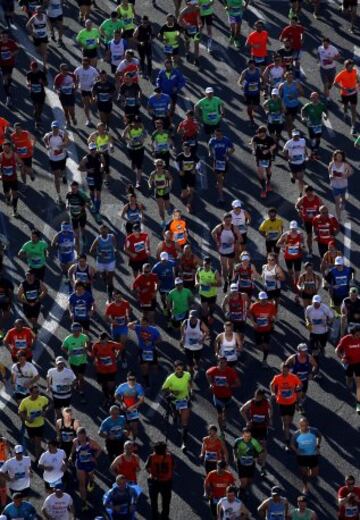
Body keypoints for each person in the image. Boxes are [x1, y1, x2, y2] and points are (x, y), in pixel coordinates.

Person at [240, 388, 272, 476]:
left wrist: (269, 419)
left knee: (264, 446)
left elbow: (270, 409)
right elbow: (242, 410)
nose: (256, 397)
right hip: (253, 427)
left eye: (258, 396)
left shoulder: (267, 402)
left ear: (262, 397)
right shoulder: (251, 402)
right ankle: (253, 461)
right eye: (255, 396)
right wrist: (247, 421)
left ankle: (263, 467)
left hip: (262, 427)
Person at [270, 363, 302, 449]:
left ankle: (289, 435)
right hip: (282, 402)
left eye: (286, 370)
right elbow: (271, 384)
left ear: (288, 370)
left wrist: (297, 388)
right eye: (283, 370)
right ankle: (287, 441)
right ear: (281, 369)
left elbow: (299, 384)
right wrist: (273, 393)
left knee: (290, 422)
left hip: (291, 402)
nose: (284, 372)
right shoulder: (277, 377)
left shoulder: (293, 377)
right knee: (285, 423)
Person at [161, 360, 192, 450]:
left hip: (184, 400)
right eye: (178, 369)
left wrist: (190, 391)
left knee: (184, 422)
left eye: (181, 369)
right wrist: (172, 392)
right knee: (176, 415)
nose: (180, 371)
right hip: (174, 401)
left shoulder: (187, 375)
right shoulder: (170, 378)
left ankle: (183, 443)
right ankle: (175, 415)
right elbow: (163, 389)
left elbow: (189, 382)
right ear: (174, 369)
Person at [70, 427, 101, 512]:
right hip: (80, 465)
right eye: (79, 436)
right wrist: (70, 456)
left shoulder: (91, 442)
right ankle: (84, 502)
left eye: (82, 437)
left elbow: (99, 449)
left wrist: (94, 457)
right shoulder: (75, 441)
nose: (81, 439)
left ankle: (91, 481)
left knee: (91, 476)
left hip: (90, 464)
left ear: (85, 435)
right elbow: (73, 449)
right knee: (81, 484)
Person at [206, 357, 240, 432]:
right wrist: (210, 383)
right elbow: (207, 373)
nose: (222, 364)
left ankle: (224, 420)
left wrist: (230, 385)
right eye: (221, 362)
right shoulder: (214, 370)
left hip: (227, 396)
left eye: (224, 362)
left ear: (226, 363)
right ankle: (221, 430)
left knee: (225, 412)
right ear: (218, 363)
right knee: (219, 414)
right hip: (217, 396)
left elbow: (238, 384)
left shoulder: (231, 371)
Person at [91, 332, 123, 407]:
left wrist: (117, 356)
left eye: (103, 340)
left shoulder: (112, 344)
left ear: (107, 339)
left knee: (110, 385)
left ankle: (111, 398)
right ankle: (107, 397)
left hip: (111, 368)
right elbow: (93, 355)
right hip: (101, 369)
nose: (101, 341)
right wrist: (95, 360)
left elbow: (121, 347)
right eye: (100, 339)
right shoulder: (96, 346)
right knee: (103, 385)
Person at [128, 317, 161, 388]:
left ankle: (156, 368)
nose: (143, 326)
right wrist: (135, 321)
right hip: (142, 350)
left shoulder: (154, 330)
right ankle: (146, 382)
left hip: (151, 350)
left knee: (154, 368)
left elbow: (160, 339)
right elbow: (129, 325)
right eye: (142, 324)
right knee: (144, 367)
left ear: (148, 323)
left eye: (145, 324)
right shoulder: (138, 328)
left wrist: (152, 342)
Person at [305, 294, 334, 376]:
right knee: (314, 352)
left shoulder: (325, 308)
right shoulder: (309, 309)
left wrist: (328, 323)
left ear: (320, 302)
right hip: (313, 332)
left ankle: (322, 347)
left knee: (322, 345)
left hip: (323, 332)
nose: (316, 305)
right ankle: (316, 368)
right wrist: (307, 322)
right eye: (314, 303)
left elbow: (332, 317)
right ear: (312, 302)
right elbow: (306, 317)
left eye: (317, 303)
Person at [291, 417, 321, 495]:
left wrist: (317, 445)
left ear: (308, 424)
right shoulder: (296, 434)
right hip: (302, 457)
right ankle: (305, 487)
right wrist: (297, 451)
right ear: (299, 425)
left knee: (314, 474)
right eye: (302, 425)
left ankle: (309, 474)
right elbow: (292, 444)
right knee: (304, 474)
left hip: (313, 456)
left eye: (305, 425)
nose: (304, 427)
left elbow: (319, 436)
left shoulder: (314, 430)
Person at [43, 120, 70, 204]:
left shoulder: (62, 134)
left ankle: (64, 175)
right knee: (56, 177)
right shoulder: (48, 135)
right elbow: (44, 140)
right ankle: (59, 196)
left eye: (56, 128)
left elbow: (68, 142)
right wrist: (47, 146)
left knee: (62, 172)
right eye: (53, 128)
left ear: (58, 128)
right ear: (51, 128)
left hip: (62, 157)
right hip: (53, 159)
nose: (55, 129)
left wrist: (63, 145)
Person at [146, 441, 174, 520]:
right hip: (166, 482)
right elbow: (173, 466)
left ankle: (155, 517)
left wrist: (153, 474)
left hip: (154, 481)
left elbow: (147, 468)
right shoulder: (170, 456)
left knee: (154, 502)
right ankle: (164, 517)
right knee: (166, 502)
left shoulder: (151, 457)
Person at [212, 214, 240, 292]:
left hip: (231, 250)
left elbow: (239, 237)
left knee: (230, 266)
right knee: (223, 267)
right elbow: (212, 233)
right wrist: (217, 241)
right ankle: (226, 282)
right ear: (223, 220)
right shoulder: (219, 227)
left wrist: (235, 243)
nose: (228, 222)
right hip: (222, 251)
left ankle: (230, 278)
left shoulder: (234, 228)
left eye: (229, 220)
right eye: (226, 220)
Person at [285, 343, 317, 413]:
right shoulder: (293, 358)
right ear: (299, 351)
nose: (305, 352)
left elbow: (315, 365)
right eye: (303, 351)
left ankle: (298, 403)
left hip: (305, 380)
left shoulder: (309, 357)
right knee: (298, 395)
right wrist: (289, 373)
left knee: (303, 394)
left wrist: (312, 373)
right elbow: (285, 366)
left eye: (306, 350)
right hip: (295, 381)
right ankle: (298, 406)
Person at [336, 325, 360, 414]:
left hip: (358, 363)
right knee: (349, 379)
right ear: (352, 334)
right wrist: (341, 358)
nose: (359, 336)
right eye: (357, 335)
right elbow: (337, 350)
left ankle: (358, 405)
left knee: (358, 384)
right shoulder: (346, 339)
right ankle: (349, 390)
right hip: (349, 363)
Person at [277, 220, 304, 299]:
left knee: (297, 274)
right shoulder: (285, 235)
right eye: (292, 229)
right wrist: (285, 245)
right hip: (288, 257)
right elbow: (278, 244)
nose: (293, 231)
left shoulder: (300, 234)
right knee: (290, 273)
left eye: (295, 229)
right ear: (290, 228)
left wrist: (302, 246)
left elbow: (302, 243)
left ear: (296, 228)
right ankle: (294, 284)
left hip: (297, 257)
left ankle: (296, 289)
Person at [249, 291, 277, 367]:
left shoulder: (271, 306)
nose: (263, 301)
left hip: (267, 329)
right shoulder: (254, 306)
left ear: (267, 299)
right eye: (262, 300)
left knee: (266, 345)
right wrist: (253, 323)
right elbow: (250, 314)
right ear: (258, 299)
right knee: (258, 345)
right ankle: (264, 350)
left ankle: (264, 360)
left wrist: (272, 321)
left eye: (265, 299)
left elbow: (274, 315)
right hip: (257, 329)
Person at [90, 224, 117, 300]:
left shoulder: (112, 237)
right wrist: (100, 253)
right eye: (102, 232)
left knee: (110, 279)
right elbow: (91, 250)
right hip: (101, 262)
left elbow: (115, 245)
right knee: (104, 277)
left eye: (105, 231)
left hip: (111, 261)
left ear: (108, 231)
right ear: (100, 232)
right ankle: (109, 287)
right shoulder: (98, 239)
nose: (104, 233)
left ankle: (110, 293)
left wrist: (114, 249)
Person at [115, 372, 145, 441]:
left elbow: (142, 399)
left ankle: (133, 441)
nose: (131, 381)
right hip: (124, 409)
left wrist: (134, 406)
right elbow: (116, 395)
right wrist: (122, 403)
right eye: (130, 379)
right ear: (127, 379)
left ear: (135, 379)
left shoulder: (138, 386)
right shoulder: (122, 386)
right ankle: (127, 441)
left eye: (133, 379)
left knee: (134, 427)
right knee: (126, 427)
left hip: (133, 410)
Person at [233, 427, 263, 495]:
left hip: (251, 464)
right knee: (244, 481)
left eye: (249, 436)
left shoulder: (254, 442)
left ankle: (243, 489)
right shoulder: (238, 441)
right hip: (241, 463)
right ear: (242, 435)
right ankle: (240, 494)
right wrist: (235, 457)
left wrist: (258, 458)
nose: (247, 438)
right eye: (245, 436)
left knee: (249, 481)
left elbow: (260, 451)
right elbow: (234, 449)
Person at [208, 128, 235, 204]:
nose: (217, 136)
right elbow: (209, 145)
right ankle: (221, 197)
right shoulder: (212, 140)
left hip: (224, 161)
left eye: (219, 135)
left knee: (223, 175)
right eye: (216, 135)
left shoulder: (226, 140)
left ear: (222, 134)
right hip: (217, 161)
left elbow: (233, 149)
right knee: (219, 179)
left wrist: (227, 154)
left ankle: (220, 181)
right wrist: (210, 152)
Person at [333, 59, 359, 135]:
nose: (350, 69)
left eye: (351, 67)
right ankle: (345, 112)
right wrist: (343, 88)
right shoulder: (342, 74)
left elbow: (357, 78)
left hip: (353, 93)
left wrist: (357, 84)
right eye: (349, 67)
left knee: (353, 109)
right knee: (345, 106)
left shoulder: (354, 71)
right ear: (345, 67)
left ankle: (353, 127)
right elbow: (335, 83)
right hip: (345, 94)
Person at [295, 185, 322, 258]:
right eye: (307, 192)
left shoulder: (317, 198)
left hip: (316, 219)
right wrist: (299, 211)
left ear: (313, 192)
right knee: (309, 236)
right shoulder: (303, 199)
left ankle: (322, 250)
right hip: (307, 220)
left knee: (318, 234)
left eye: (311, 192)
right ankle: (310, 250)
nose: (309, 194)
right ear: (305, 192)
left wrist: (321, 213)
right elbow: (296, 206)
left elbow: (322, 207)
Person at [250, 125, 276, 198]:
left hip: (267, 158)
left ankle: (268, 183)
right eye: (258, 133)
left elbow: (274, 145)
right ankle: (263, 189)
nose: (258, 134)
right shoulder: (256, 137)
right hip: (259, 158)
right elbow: (253, 141)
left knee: (268, 171)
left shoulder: (269, 139)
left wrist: (268, 150)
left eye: (260, 133)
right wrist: (253, 149)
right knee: (260, 174)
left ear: (264, 133)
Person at [181, 309, 209, 375]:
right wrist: (183, 337)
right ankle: (190, 368)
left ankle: (196, 367)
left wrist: (202, 339)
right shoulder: (185, 322)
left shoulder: (200, 323)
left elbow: (207, 331)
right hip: (187, 345)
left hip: (198, 346)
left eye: (194, 317)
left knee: (197, 359)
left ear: (197, 317)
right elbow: (182, 329)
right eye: (191, 317)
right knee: (189, 358)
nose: (192, 319)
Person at [328, 150, 353, 223]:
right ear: (334, 156)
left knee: (343, 198)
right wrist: (330, 176)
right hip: (335, 185)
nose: (339, 157)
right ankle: (339, 218)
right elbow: (329, 170)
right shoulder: (332, 163)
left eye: (340, 156)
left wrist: (346, 175)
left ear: (342, 157)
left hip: (343, 185)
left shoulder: (345, 164)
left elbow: (351, 171)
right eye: (337, 156)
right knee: (337, 202)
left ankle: (344, 202)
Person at [301, 92, 327, 159]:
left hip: (318, 125)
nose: (314, 99)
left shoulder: (321, 105)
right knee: (312, 139)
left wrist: (326, 116)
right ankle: (312, 152)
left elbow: (325, 111)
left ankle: (315, 150)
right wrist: (303, 117)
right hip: (311, 125)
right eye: (313, 97)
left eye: (316, 97)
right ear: (311, 98)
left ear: (318, 98)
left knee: (318, 138)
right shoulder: (308, 105)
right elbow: (302, 110)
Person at [175, 141, 199, 213]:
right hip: (183, 175)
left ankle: (188, 205)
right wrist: (179, 170)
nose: (186, 149)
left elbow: (199, 162)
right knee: (184, 194)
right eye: (185, 148)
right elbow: (176, 162)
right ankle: (184, 194)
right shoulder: (180, 155)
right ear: (182, 148)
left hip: (191, 174)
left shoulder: (193, 155)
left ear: (190, 148)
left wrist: (195, 169)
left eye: (187, 148)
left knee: (192, 190)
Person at [148, 158, 173, 227]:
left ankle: (168, 209)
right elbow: (149, 180)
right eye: (157, 165)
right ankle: (163, 220)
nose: (159, 166)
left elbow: (170, 179)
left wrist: (169, 186)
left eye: (160, 165)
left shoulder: (166, 172)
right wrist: (150, 185)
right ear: (155, 166)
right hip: (158, 191)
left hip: (165, 191)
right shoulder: (153, 173)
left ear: (163, 165)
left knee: (167, 207)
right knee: (160, 207)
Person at [74, 57, 99, 127]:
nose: (84, 65)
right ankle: (88, 119)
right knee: (86, 105)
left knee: (92, 103)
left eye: (86, 64)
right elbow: (75, 77)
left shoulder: (93, 70)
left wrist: (94, 83)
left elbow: (98, 78)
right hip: (83, 89)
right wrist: (75, 85)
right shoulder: (78, 69)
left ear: (89, 64)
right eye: (83, 63)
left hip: (91, 90)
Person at [122, 118, 147, 189]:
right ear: (132, 122)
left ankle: (138, 183)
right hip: (131, 148)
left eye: (138, 123)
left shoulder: (141, 126)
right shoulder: (129, 127)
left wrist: (141, 138)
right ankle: (133, 162)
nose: (136, 124)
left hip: (140, 148)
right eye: (135, 123)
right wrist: (129, 139)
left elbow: (145, 134)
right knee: (133, 160)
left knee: (139, 166)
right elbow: (123, 136)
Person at [283, 129, 308, 196]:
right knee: (295, 176)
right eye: (294, 136)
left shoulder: (303, 141)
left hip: (301, 162)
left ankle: (300, 192)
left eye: (297, 136)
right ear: (292, 135)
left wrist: (306, 155)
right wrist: (289, 158)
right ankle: (292, 176)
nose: (296, 137)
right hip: (293, 163)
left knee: (300, 178)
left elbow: (304, 148)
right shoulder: (289, 143)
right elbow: (284, 152)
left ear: (299, 135)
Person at [279, 71, 304, 136]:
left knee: (292, 120)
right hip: (286, 106)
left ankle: (284, 126)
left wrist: (295, 95)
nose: (290, 79)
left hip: (295, 106)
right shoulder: (282, 86)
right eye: (288, 77)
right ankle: (290, 137)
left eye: (291, 77)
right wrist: (282, 107)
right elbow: (280, 97)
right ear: (285, 77)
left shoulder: (296, 84)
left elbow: (302, 93)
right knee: (290, 122)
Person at [239, 60, 262, 125]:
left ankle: (253, 108)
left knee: (255, 108)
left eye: (253, 64)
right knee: (249, 107)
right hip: (247, 93)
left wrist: (263, 84)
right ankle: (251, 118)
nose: (251, 65)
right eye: (250, 64)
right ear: (248, 65)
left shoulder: (258, 70)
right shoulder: (245, 72)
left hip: (256, 92)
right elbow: (239, 81)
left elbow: (262, 77)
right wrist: (241, 85)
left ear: (255, 64)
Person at [53, 64, 77, 129]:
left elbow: (76, 83)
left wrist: (75, 89)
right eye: (64, 70)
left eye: (67, 69)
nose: (66, 71)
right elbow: (55, 86)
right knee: (66, 110)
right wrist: (57, 91)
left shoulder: (72, 75)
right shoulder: (58, 77)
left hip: (71, 94)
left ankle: (73, 117)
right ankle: (68, 121)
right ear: (61, 70)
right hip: (63, 95)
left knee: (71, 110)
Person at [318, 38, 340, 103]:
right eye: (323, 44)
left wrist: (332, 58)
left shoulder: (333, 49)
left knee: (331, 83)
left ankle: (329, 86)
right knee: (325, 85)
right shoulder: (320, 48)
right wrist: (318, 61)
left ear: (329, 44)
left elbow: (338, 56)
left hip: (332, 69)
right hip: (323, 69)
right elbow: (318, 54)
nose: (325, 46)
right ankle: (327, 98)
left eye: (326, 45)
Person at [0, 30, 19, 106]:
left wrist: (12, 53)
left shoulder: (11, 43)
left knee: (9, 77)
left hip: (10, 63)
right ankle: (8, 96)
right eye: (3, 37)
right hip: (2, 64)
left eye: (6, 37)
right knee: (5, 80)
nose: (4, 38)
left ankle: (9, 85)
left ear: (8, 37)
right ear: (0, 37)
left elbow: (17, 50)